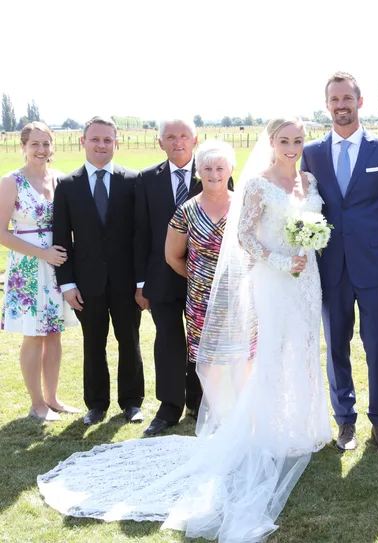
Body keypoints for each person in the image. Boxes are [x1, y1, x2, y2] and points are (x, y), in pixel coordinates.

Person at [38, 117, 331, 543]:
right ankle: (206, 417)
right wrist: (200, 275)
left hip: (290, 283)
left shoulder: (297, 182)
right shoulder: (195, 198)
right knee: (217, 357)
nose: (292, 146)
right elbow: (171, 246)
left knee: (288, 352)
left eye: (298, 140)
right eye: (284, 140)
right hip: (232, 285)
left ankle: (290, 424)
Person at [301, 72, 378, 453]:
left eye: (347, 98)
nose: (341, 105)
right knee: (336, 346)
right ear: (327, 105)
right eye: (334, 99)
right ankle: (345, 421)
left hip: (375, 268)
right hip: (329, 268)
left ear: (359, 102)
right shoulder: (312, 153)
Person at [53, 116, 144, 426]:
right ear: (83, 141)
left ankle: (131, 402)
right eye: (95, 139)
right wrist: (67, 284)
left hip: (126, 281)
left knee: (129, 340)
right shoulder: (67, 185)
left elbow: (140, 235)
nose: (101, 145)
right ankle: (96, 404)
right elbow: (61, 238)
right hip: (86, 282)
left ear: (116, 143)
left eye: (107, 140)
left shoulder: (132, 181)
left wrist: (141, 281)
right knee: (93, 344)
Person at [0, 122, 78, 422]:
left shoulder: (60, 179)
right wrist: (43, 254)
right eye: (34, 144)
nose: (41, 150)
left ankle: (52, 398)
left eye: (46, 144)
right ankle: (37, 404)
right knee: (34, 334)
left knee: (54, 333)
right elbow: (2, 233)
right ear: (23, 146)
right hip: (28, 267)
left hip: (57, 265)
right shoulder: (12, 182)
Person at [134, 118, 204, 436]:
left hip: (202, 277)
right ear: (160, 142)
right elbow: (140, 233)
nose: (178, 142)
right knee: (168, 341)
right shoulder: (147, 179)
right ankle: (169, 407)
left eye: (184, 136)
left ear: (195, 140)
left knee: (201, 340)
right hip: (161, 277)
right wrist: (140, 283)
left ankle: (199, 401)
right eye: (170, 137)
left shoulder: (213, 172)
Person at [165, 140, 234, 366]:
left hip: (238, 300)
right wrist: (200, 279)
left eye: (220, 168)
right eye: (207, 168)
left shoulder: (244, 208)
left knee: (240, 364)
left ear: (231, 169)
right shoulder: (186, 211)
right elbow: (172, 256)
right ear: (198, 172)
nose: (214, 174)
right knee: (207, 366)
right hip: (201, 302)